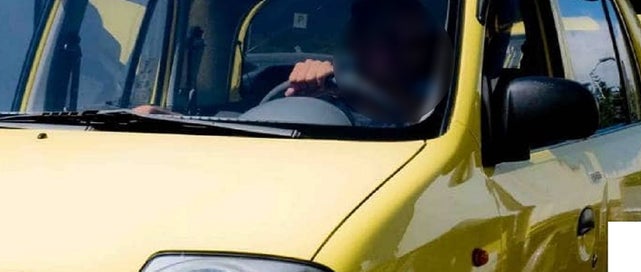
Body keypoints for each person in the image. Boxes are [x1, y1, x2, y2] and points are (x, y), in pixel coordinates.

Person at [135, 0, 447, 125]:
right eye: (380, 37)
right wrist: (172, 118)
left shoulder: (431, 116)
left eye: (410, 45)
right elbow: (235, 124)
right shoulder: (272, 83)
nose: (395, 53)